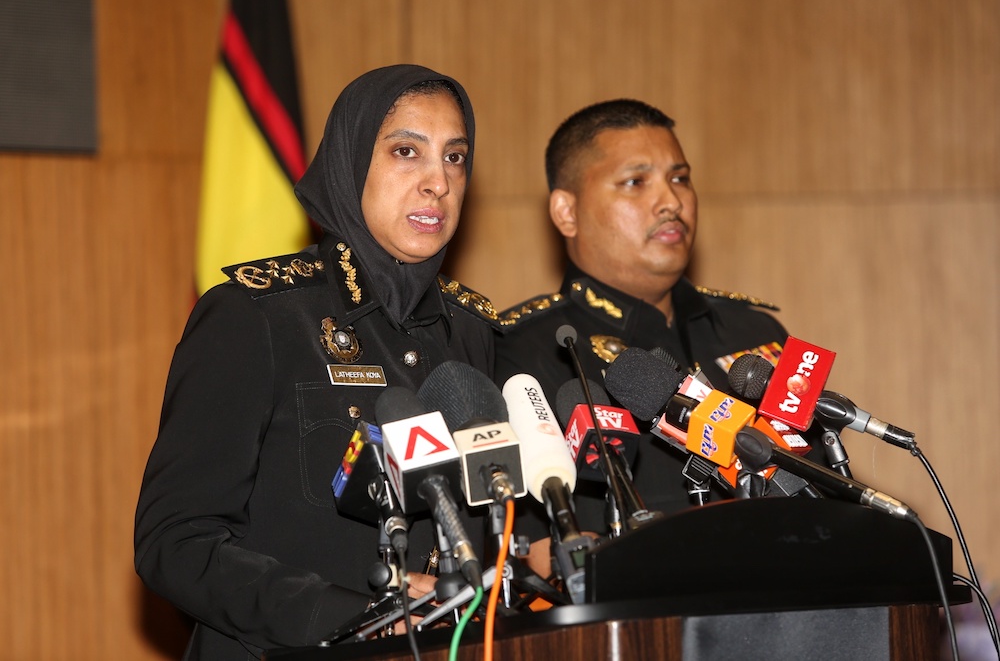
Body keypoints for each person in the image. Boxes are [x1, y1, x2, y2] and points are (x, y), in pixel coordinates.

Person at [135, 65, 505, 660]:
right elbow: (175, 542)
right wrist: (350, 616)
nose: (438, 181)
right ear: (350, 161)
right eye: (407, 152)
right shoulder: (257, 317)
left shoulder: (475, 332)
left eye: (456, 158)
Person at [495, 99, 793, 536]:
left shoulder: (755, 332)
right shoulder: (526, 351)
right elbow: (536, 547)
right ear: (567, 212)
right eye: (636, 182)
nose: (671, 201)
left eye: (680, 179)